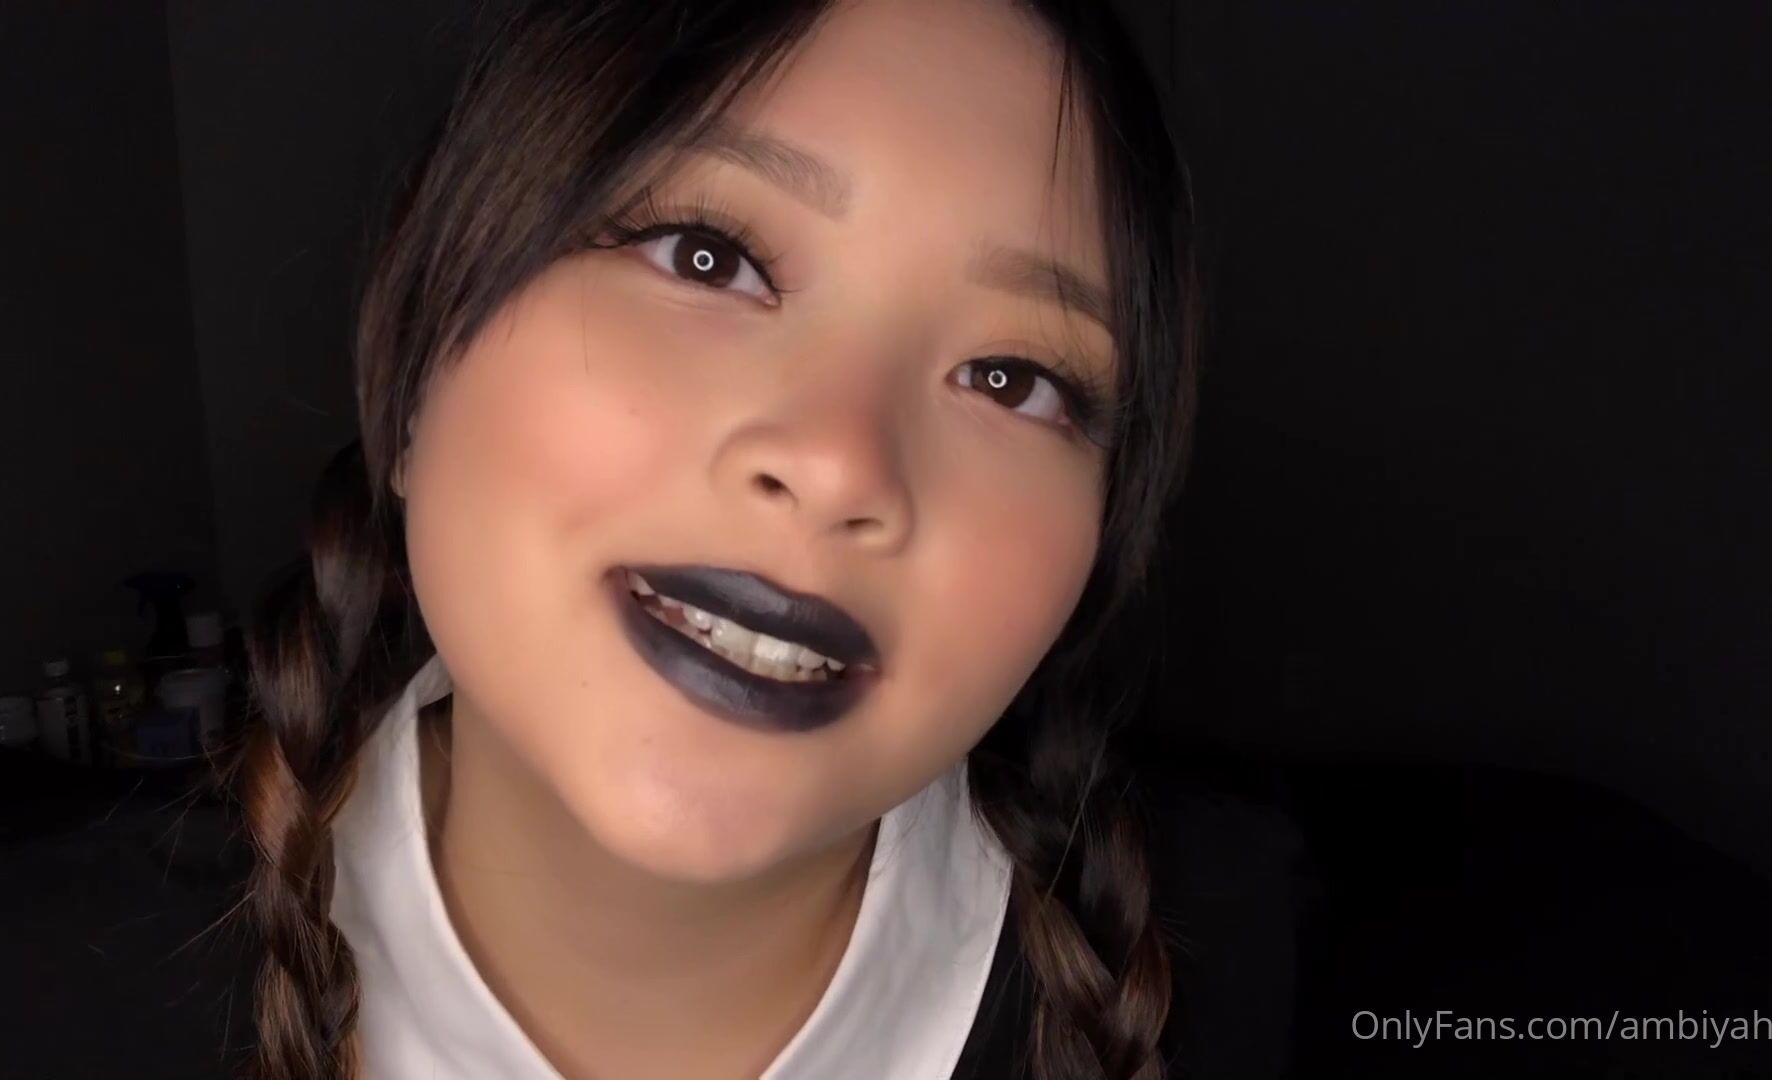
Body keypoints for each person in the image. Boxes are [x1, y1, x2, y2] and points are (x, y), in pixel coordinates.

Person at [232, 0, 1297, 1077]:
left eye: (1009, 379)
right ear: (419, 351)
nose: (840, 465)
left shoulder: (1245, 964)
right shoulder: (118, 979)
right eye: (707, 257)